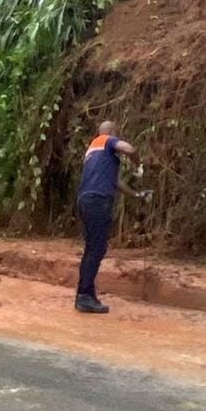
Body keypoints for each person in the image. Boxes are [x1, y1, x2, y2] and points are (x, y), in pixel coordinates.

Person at [75, 120, 145, 314]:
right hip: (98, 201)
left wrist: (136, 195)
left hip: (85, 200)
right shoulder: (105, 140)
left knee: (92, 249)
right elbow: (130, 149)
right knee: (96, 249)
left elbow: (115, 182)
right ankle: (84, 296)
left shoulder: (93, 152)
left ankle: (85, 294)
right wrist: (139, 166)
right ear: (112, 132)